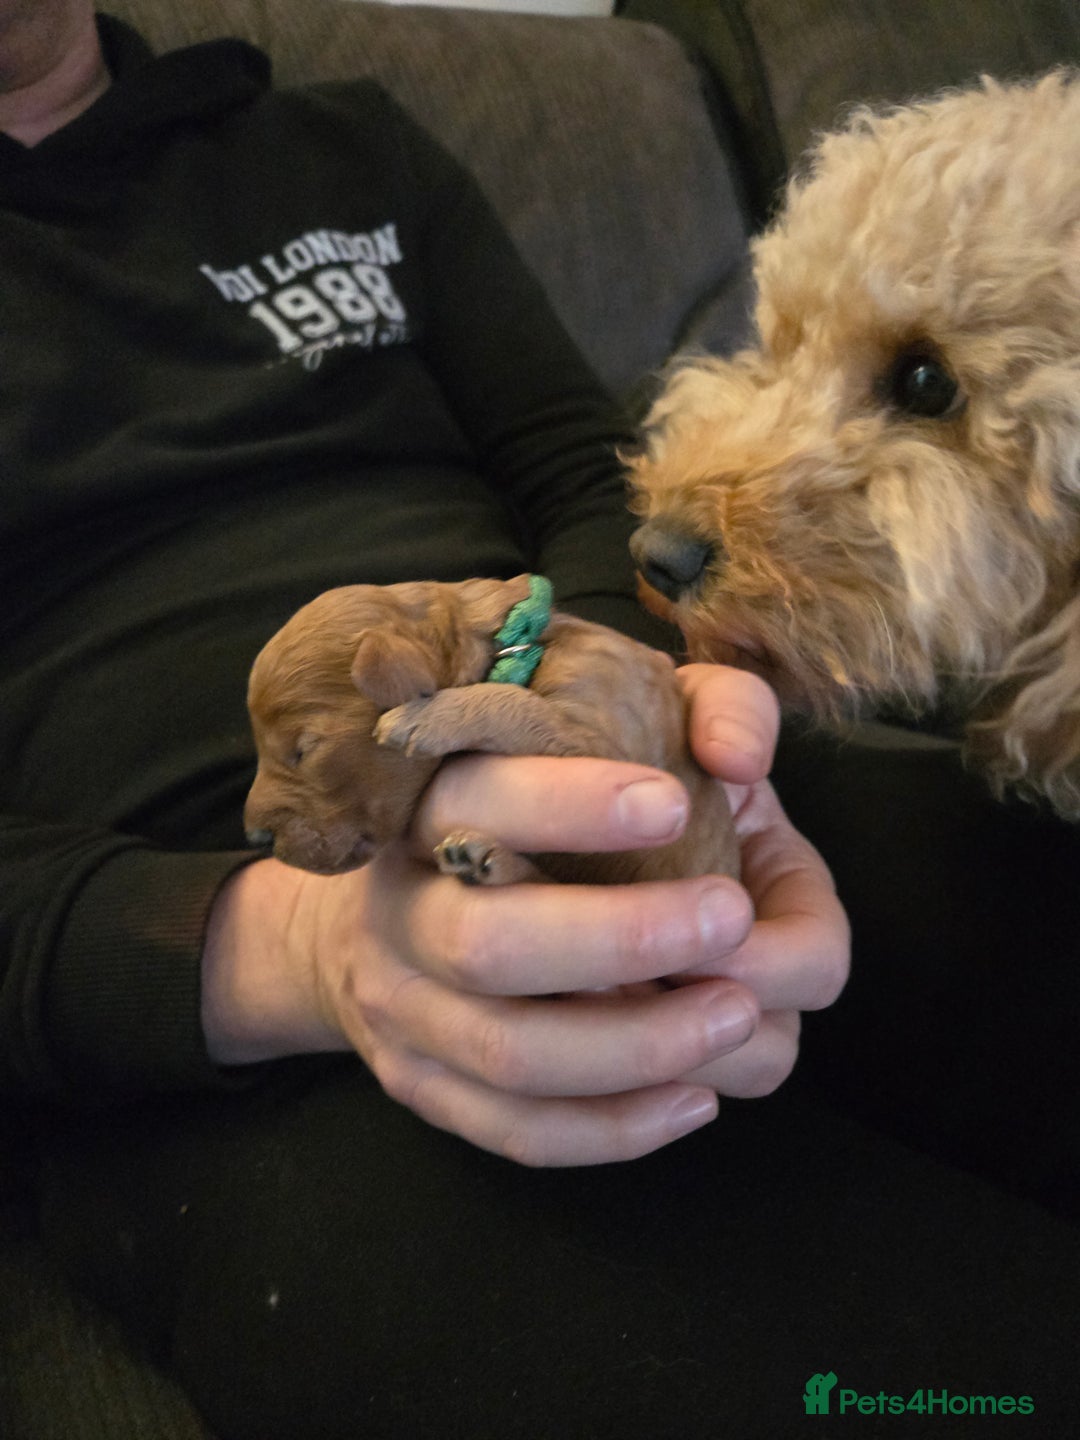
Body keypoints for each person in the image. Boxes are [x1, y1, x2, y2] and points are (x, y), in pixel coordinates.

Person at [4, 7, 1074, 1440]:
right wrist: (291, 953)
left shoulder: (338, 146)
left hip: (620, 744)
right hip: (205, 982)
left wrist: (641, 718)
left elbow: (585, 477)